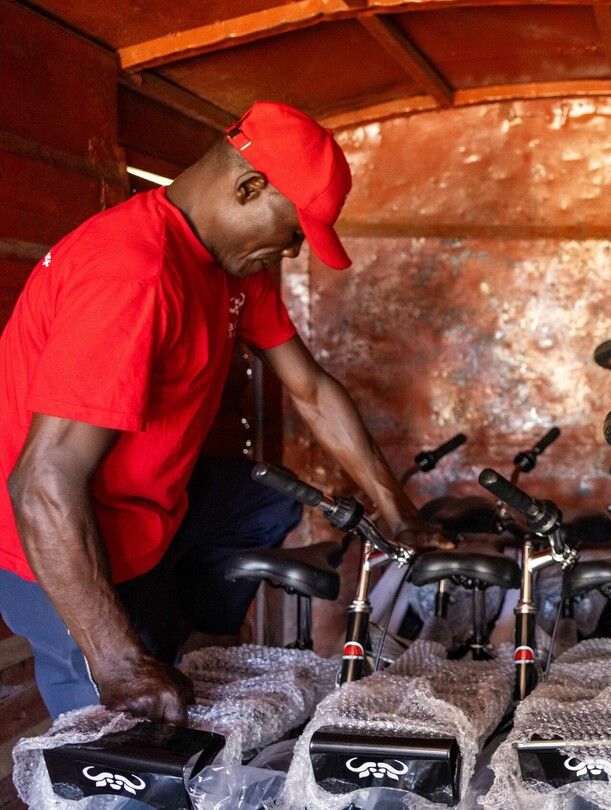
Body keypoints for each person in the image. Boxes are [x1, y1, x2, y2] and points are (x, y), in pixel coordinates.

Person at [0, 101, 450, 725]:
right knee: (121, 763)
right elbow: (41, 484)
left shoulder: (233, 266)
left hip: (152, 519)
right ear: (249, 187)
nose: (293, 251)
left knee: (267, 500)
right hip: (65, 549)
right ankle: (128, 658)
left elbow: (312, 389)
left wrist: (399, 511)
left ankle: (175, 621)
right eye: (294, 231)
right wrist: (120, 663)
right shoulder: (132, 273)